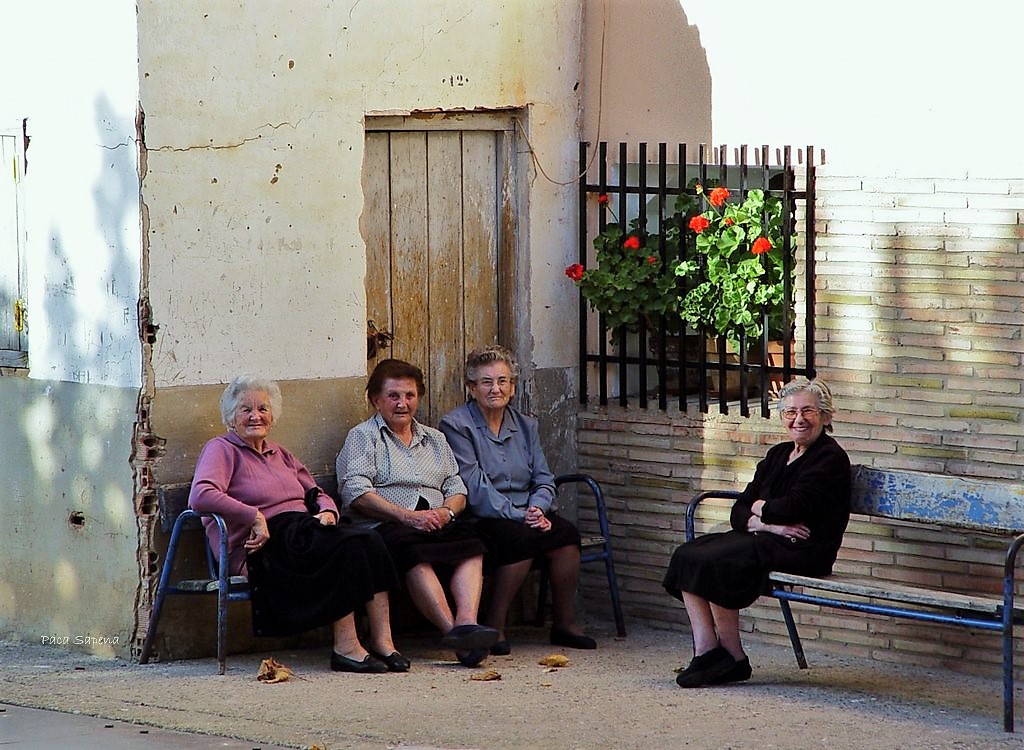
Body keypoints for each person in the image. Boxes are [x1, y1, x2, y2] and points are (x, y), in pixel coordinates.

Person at [189, 375, 408, 674]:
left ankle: (383, 641)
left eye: (263, 409)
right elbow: (201, 495)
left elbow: (316, 493)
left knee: (369, 541)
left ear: (273, 415)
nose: (256, 416)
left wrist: (329, 513)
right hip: (261, 547)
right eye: (246, 409)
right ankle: (346, 648)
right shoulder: (221, 449)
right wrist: (254, 516)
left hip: (301, 532)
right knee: (344, 547)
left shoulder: (281, 453)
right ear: (231, 417)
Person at [662, 377, 851, 687]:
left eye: (808, 411)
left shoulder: (830, 458)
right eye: (790, 412)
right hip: (769, 538)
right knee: (689, 554)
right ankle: (708, 650)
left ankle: (732, 658)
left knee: (722, 560)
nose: (798, 419)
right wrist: (767, 522)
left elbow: (791, 509)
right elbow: (740, 510)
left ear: (825, 416)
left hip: (805, 548)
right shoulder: (778, 455)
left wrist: (762, 511)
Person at [337, 358, 499, 667]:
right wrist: (405, 516)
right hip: (387, 523)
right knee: (412, 550)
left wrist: (447, 513)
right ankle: (454, 635)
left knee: (473, 542)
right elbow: (356, 492)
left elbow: (457, 486)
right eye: (393, 396)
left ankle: (467, 623)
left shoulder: (435, 438)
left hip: (435, 520)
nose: (402, 403)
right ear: (375, 399)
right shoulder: (363, 436)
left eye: (409, 396)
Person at [439, 345, 596, 654]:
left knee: (565, 535)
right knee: (521, 538)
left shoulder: (526, 425)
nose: (495, 388)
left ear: (512, 386)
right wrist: (518, 514)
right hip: (483, 515)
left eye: (502, 381)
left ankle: (564, 623)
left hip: (527, 511)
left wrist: (538, 506)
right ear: (472, 388)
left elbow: (543, 475)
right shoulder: (457, 425)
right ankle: (495, 625)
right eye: (486, 382)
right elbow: (473, 485)